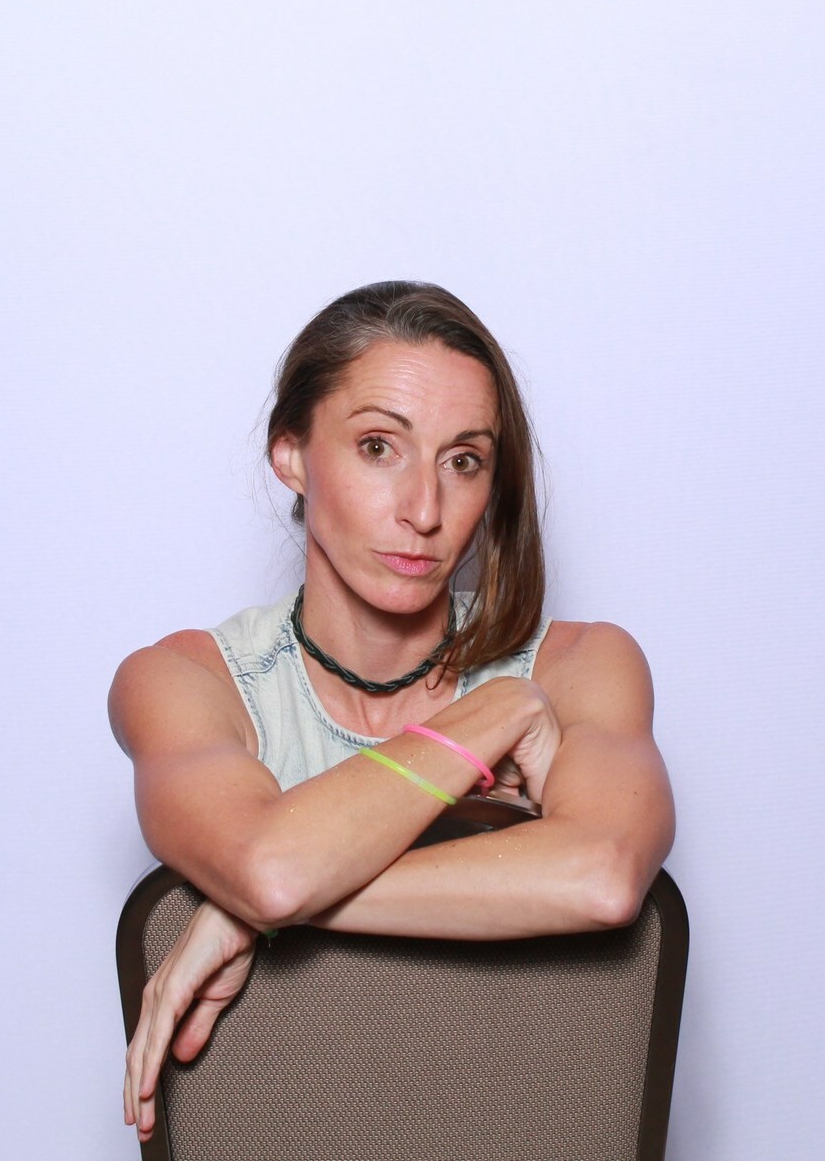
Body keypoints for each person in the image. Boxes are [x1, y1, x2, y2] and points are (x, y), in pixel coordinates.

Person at [109, 280, 677, 1143]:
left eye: (464, 461)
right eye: (379, 447)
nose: (424, 510)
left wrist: (256, 913)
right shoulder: (188, 681)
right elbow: (273, 870)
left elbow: (601, 877)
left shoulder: (582, 666)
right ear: (291, 452)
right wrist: (496, 712)